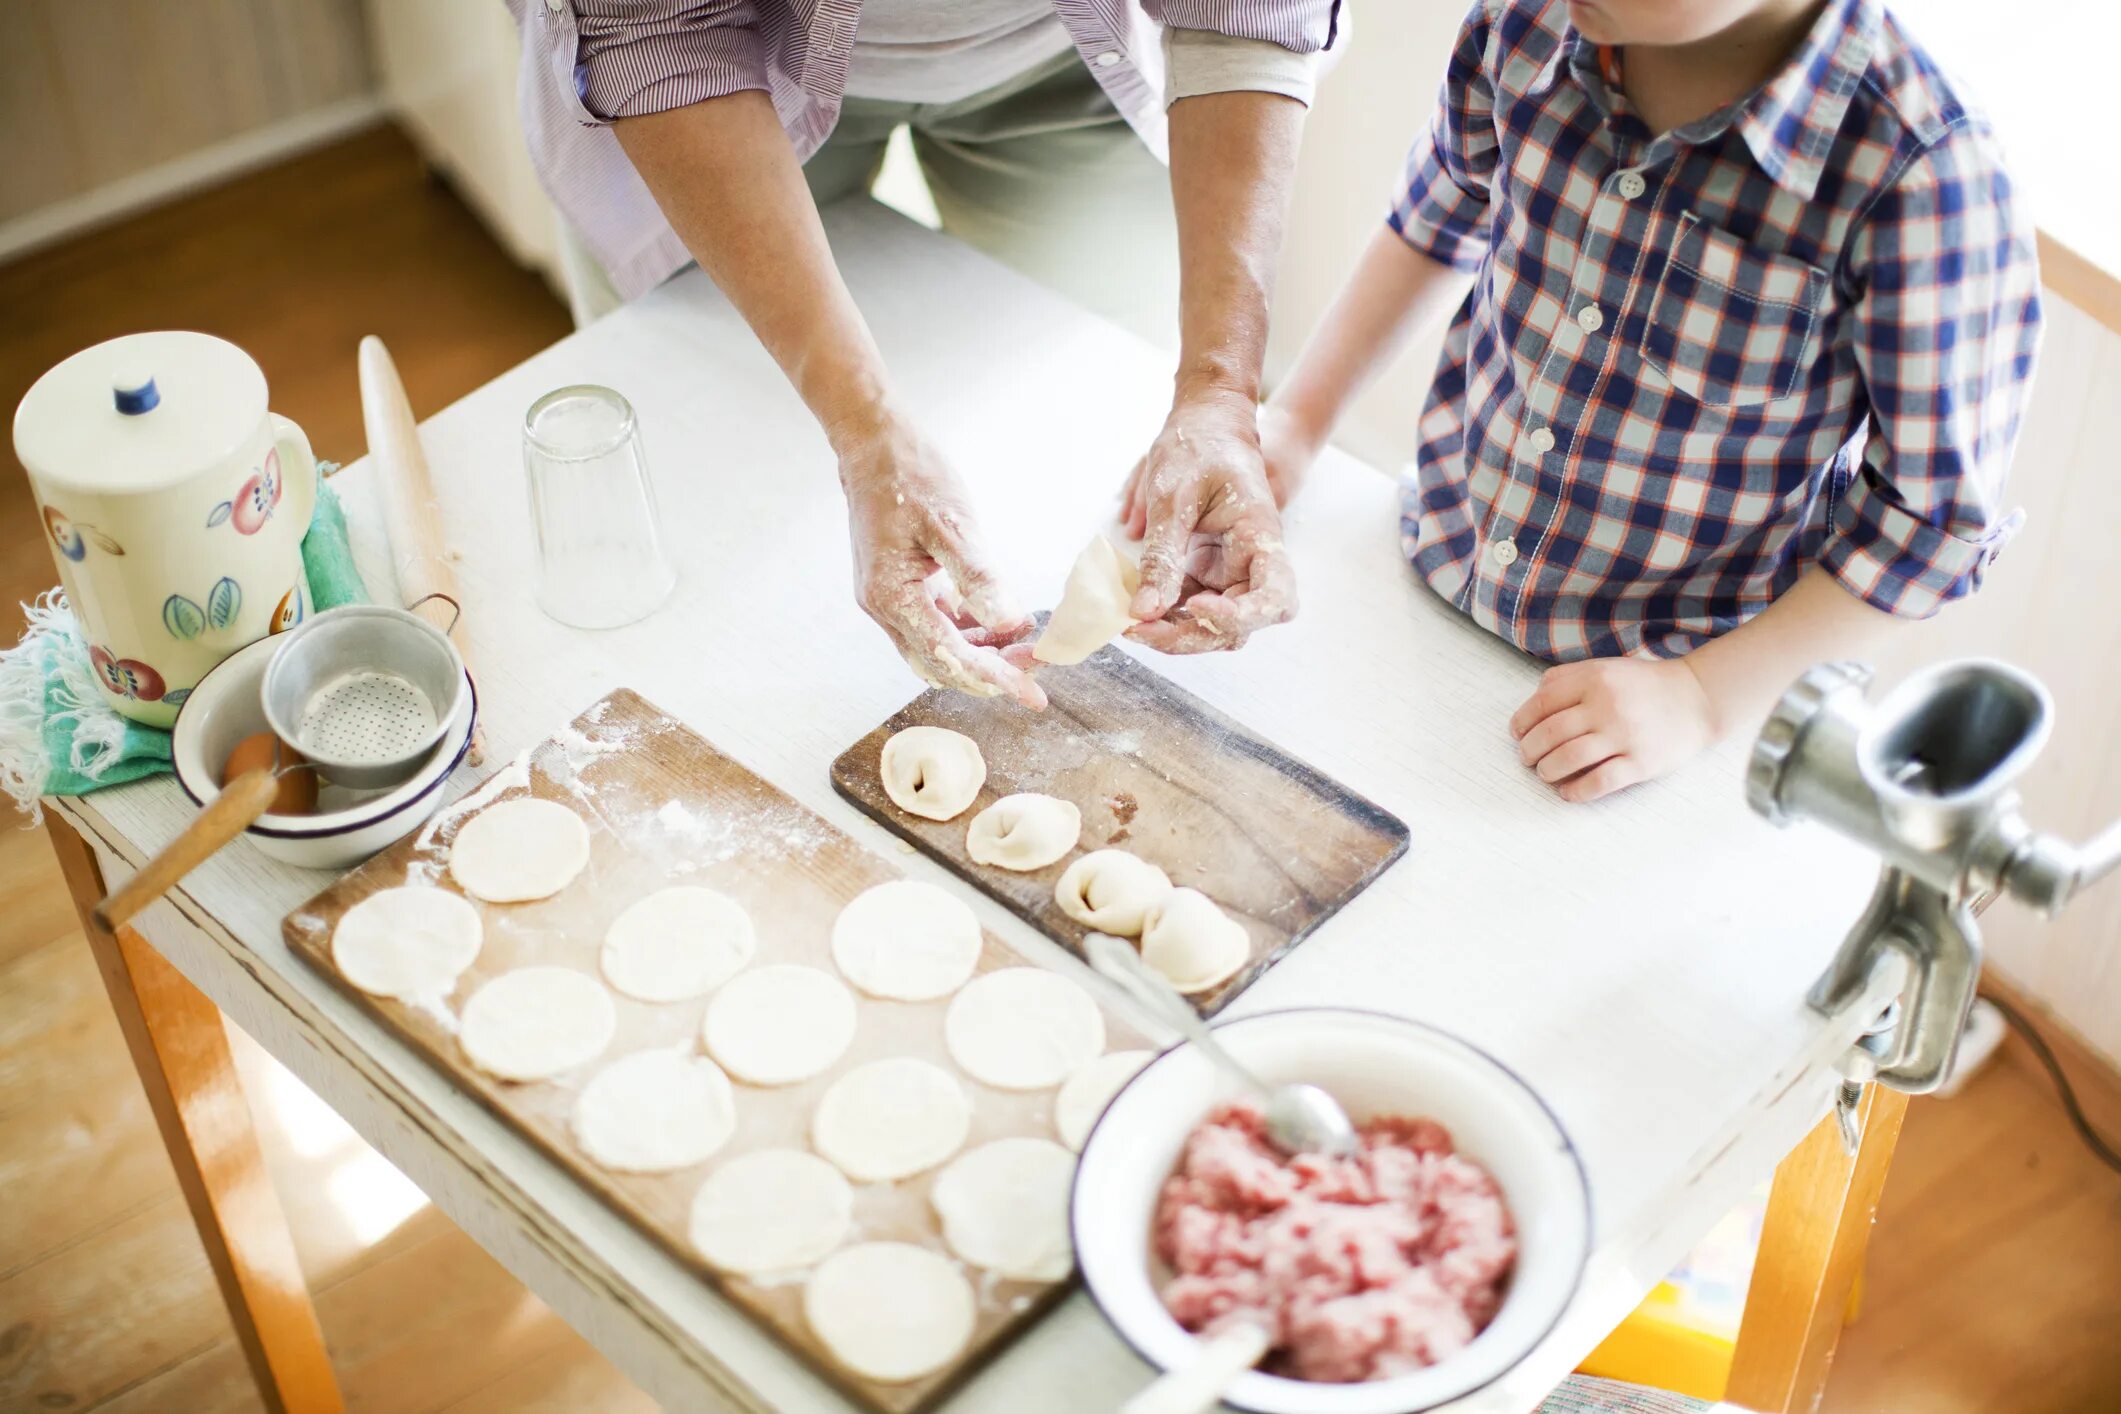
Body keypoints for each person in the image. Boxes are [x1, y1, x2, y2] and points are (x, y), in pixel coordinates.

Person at [1252, 0, 2042, 801]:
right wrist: (1294, 420)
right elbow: (1439, 213)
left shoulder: (1925, 175)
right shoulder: (1523, 23)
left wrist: (1699, 697)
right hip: (1429, 584)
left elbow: (1925, 534)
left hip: (1677, 711)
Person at [507, 1, 1343, 707]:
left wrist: (1218, 389)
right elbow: (656, 29)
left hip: (1063, 56)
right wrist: (867, 433)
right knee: (716, 477)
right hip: (724, 72)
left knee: (1089, 425)